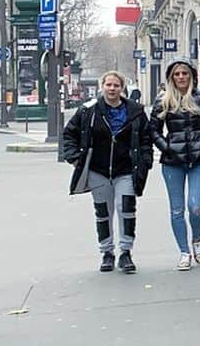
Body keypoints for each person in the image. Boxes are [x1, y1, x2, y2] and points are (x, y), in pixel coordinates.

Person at [61, 70, 153, 273]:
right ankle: (107, 253)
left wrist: (145, 161)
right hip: (98, 170)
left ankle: (126, 253)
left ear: (122, 88)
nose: (112, 89)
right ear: (102, 86)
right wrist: (75, 158)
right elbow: (69, 134)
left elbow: (146, 138)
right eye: (108, 85)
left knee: (126, 208)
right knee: (103, 212)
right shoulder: (88, 111)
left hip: (126, 169)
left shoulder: (136, 111)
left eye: (116, 85)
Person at [150, 60, 200, 270]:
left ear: (191, 76)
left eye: (184, 73)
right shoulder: (163, 101)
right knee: (176, 210)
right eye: (176, 74)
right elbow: (153, 130)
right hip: (173, 161)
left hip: (199, 160)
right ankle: (183, 252)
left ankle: (197, 238)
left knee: (196, 207)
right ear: (171, 78)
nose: (181, 77)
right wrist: (166, 147)